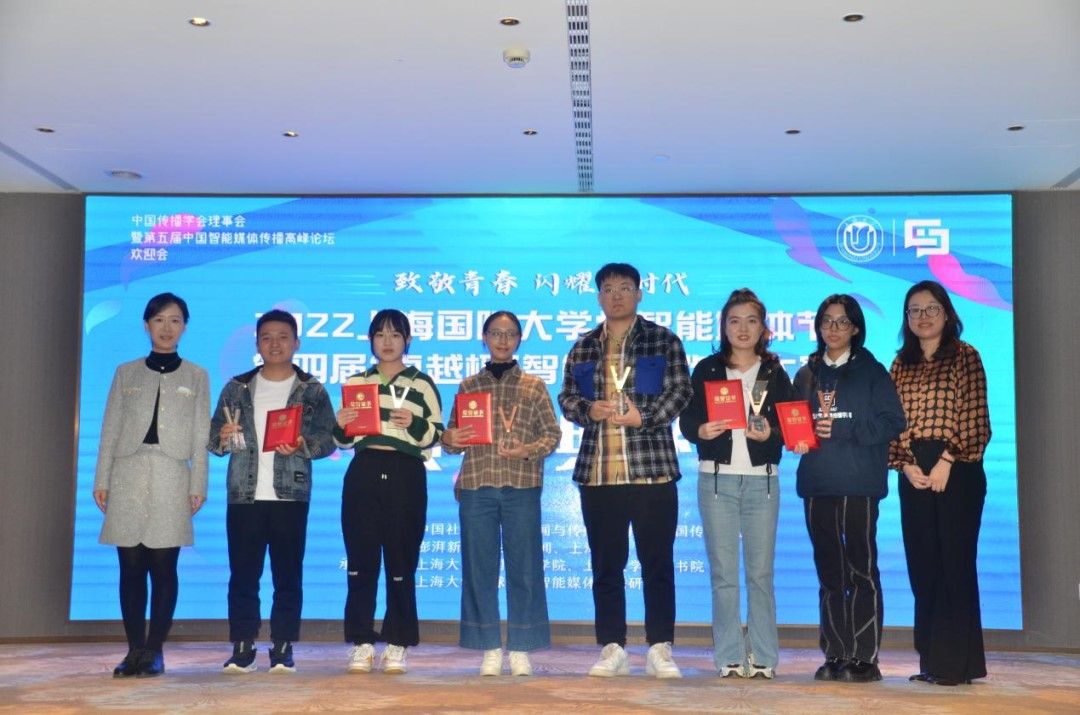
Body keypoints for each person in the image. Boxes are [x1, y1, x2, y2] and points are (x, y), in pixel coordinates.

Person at [558, 263, 693, 679]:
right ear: (599, 296)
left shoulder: (662, 340)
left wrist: (644, 417)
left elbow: (681, 392)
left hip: (652, 472)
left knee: (657, 564)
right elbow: (566, 398)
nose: (616, 295)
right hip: (599, 475)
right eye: (608, 289)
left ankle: (660, 647)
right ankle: (612, 646)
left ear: (639, 294)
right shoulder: (583, 347)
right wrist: (588, 409)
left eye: (624, 288)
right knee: (605, 566)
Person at [207, 309, 337, 673]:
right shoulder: (237, 387)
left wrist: (303, 445)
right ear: (257, 344)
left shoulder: (312, 389)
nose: (275, 344)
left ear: (296, 343)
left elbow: (330, 438)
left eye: (283, 337)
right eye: (266, 337)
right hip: (244, 494)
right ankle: (243, 645)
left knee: (288, 575)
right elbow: (213, 437)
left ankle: (282, 645)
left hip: (290, 495)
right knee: (243, 575)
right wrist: (222, 436)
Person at [93, 292, 210, 678]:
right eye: (159, 320)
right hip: (126, 471)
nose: (166, 327)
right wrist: (102, 479)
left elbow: (201, 436)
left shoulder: (197, 375)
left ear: (185, 327)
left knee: (163, 566)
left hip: (173, 473)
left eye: (175, 320)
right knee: (130, 566)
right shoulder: (126, 372)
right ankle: (133, 650)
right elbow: (109, 429)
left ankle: (155, 650)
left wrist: (198, 483)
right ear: (147, 325)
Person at [679, 288, 793, 679]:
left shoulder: (774, 372)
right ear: (723, 327)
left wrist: (771, 433)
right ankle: (728, 654)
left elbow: (791, 426)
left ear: (763, 328)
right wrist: (701, 430)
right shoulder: (707, 369)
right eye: (734, 321)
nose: (743, 329)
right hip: (716, 481)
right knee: (724, 574)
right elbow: (688, 420)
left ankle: (763, 655)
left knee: (760, 574)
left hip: (763, 482)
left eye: (751, 321)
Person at [792, 294, 905, 683]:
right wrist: (795, 436)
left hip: (859, 484)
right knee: (829, 573)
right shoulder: (806, 374)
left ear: (855, 328)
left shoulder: (873, 372)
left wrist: (844, 428)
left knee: (861, 570)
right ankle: (835, 652)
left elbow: (893, 422)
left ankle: (864, 656)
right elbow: (794, 423)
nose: (833, 328)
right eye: (827, 321)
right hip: (817, 484)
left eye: (842, 322)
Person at [441, 311, 562, 676]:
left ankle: (522, 646)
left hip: (521, 485)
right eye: (496, 333)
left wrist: (527, 449)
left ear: (519, 339)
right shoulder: (468, 386)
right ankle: (489, 647)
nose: (503, 340)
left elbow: (552, 435)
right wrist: (449, 438)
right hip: (477, 485)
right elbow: (452, 441)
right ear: (484, 338)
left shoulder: (533, 386)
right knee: (479, 569)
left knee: (525, 568)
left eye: (510, 334)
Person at [889, 280, 991, 686]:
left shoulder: (966, 356)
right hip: (914, 469)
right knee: (923, 564)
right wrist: (905, 464)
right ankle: (931, 659)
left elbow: (976, 416)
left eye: (931, 308)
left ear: (947, 313)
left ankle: (958, 664)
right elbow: (893, 420)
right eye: (914, 310)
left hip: (958, 468)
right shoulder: (900, 364)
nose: (923, 317)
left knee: (955, 563)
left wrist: (948, 458)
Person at [336, 309, 444, 674]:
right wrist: (342, 425)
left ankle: (398, 641)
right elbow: (343, 441)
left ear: (407, 340)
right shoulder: (357, 382)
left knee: (402, 560)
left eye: (395, 335)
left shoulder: (422, 384)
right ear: (370, 340)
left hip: (406, 472)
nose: (387, 341)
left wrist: (413, 423)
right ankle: (361, 642)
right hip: (364, 470)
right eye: (380, 334)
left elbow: (435, 434)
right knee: (360, 560)